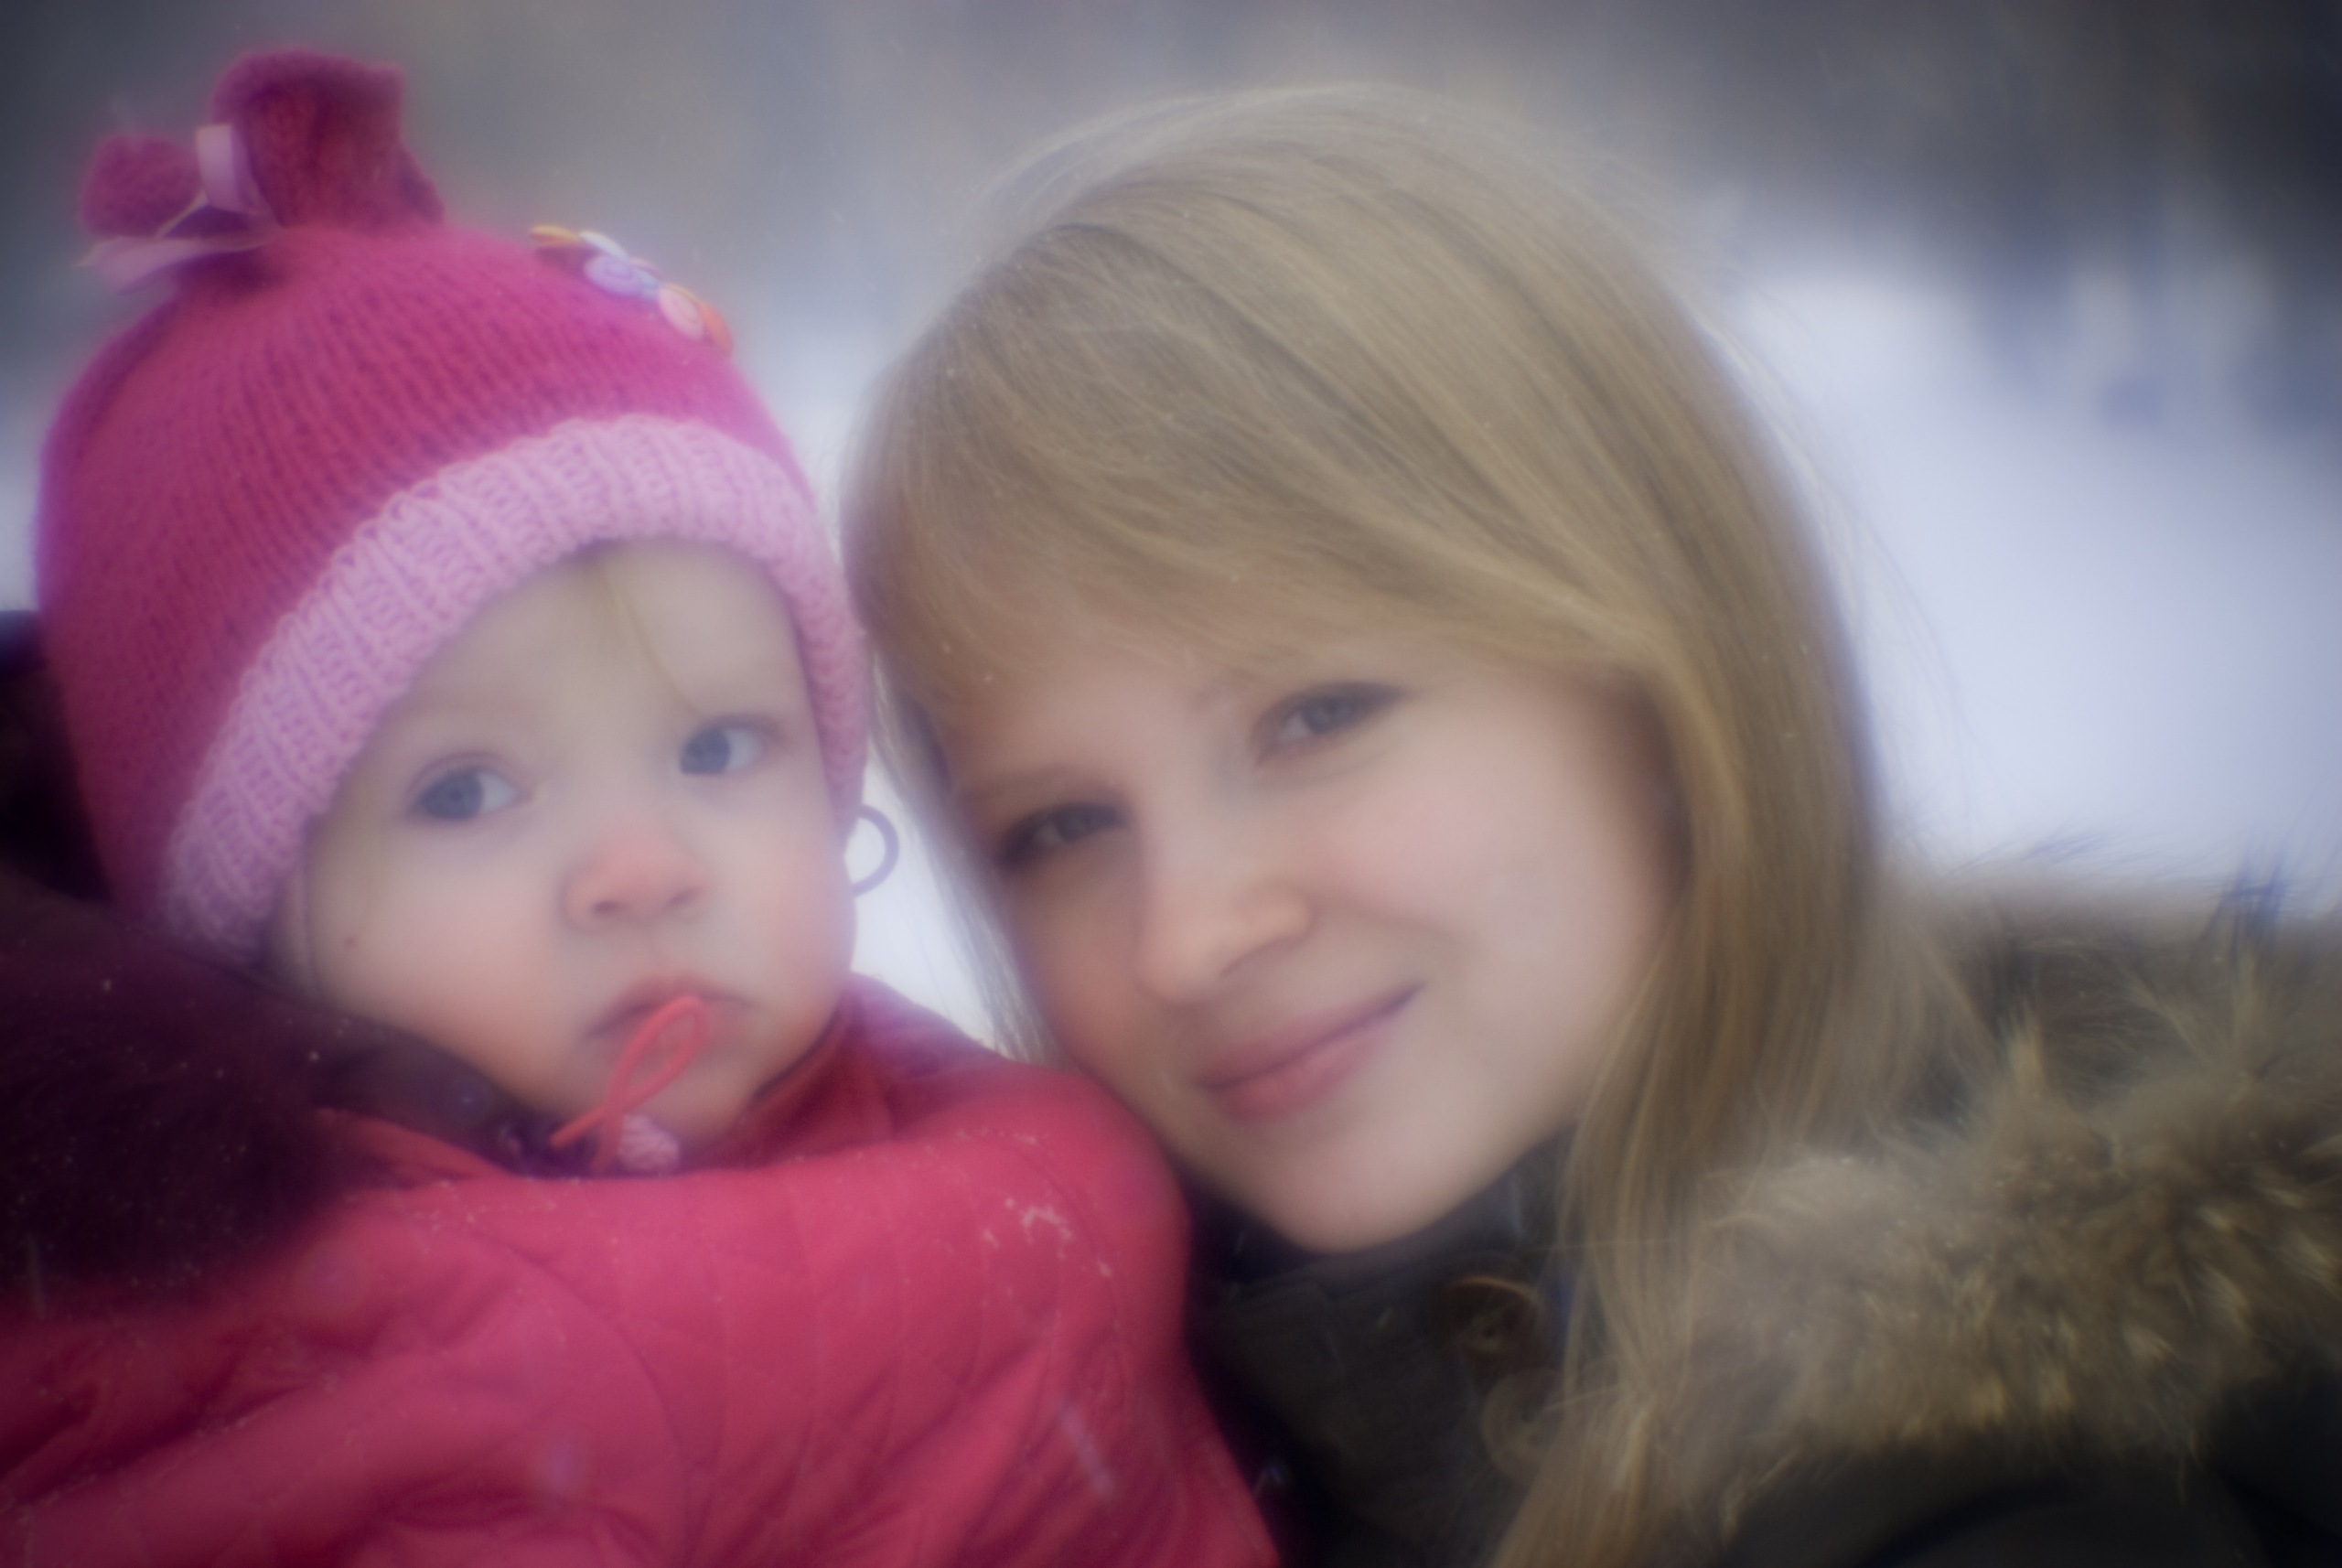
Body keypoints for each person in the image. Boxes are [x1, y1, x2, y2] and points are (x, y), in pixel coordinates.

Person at [844, 88, 2342, 1568]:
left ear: (1665, 677)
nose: (1184, 937)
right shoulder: (1063, 1468)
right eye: (1059, 825)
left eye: (1315, 715)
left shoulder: (2048, 1490)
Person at [0, 51, 1275, 1568]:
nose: (644, 867)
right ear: (250, 915)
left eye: (721, 747)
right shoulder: (324, 1358)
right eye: (467, 790)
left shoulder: (944, 1109)